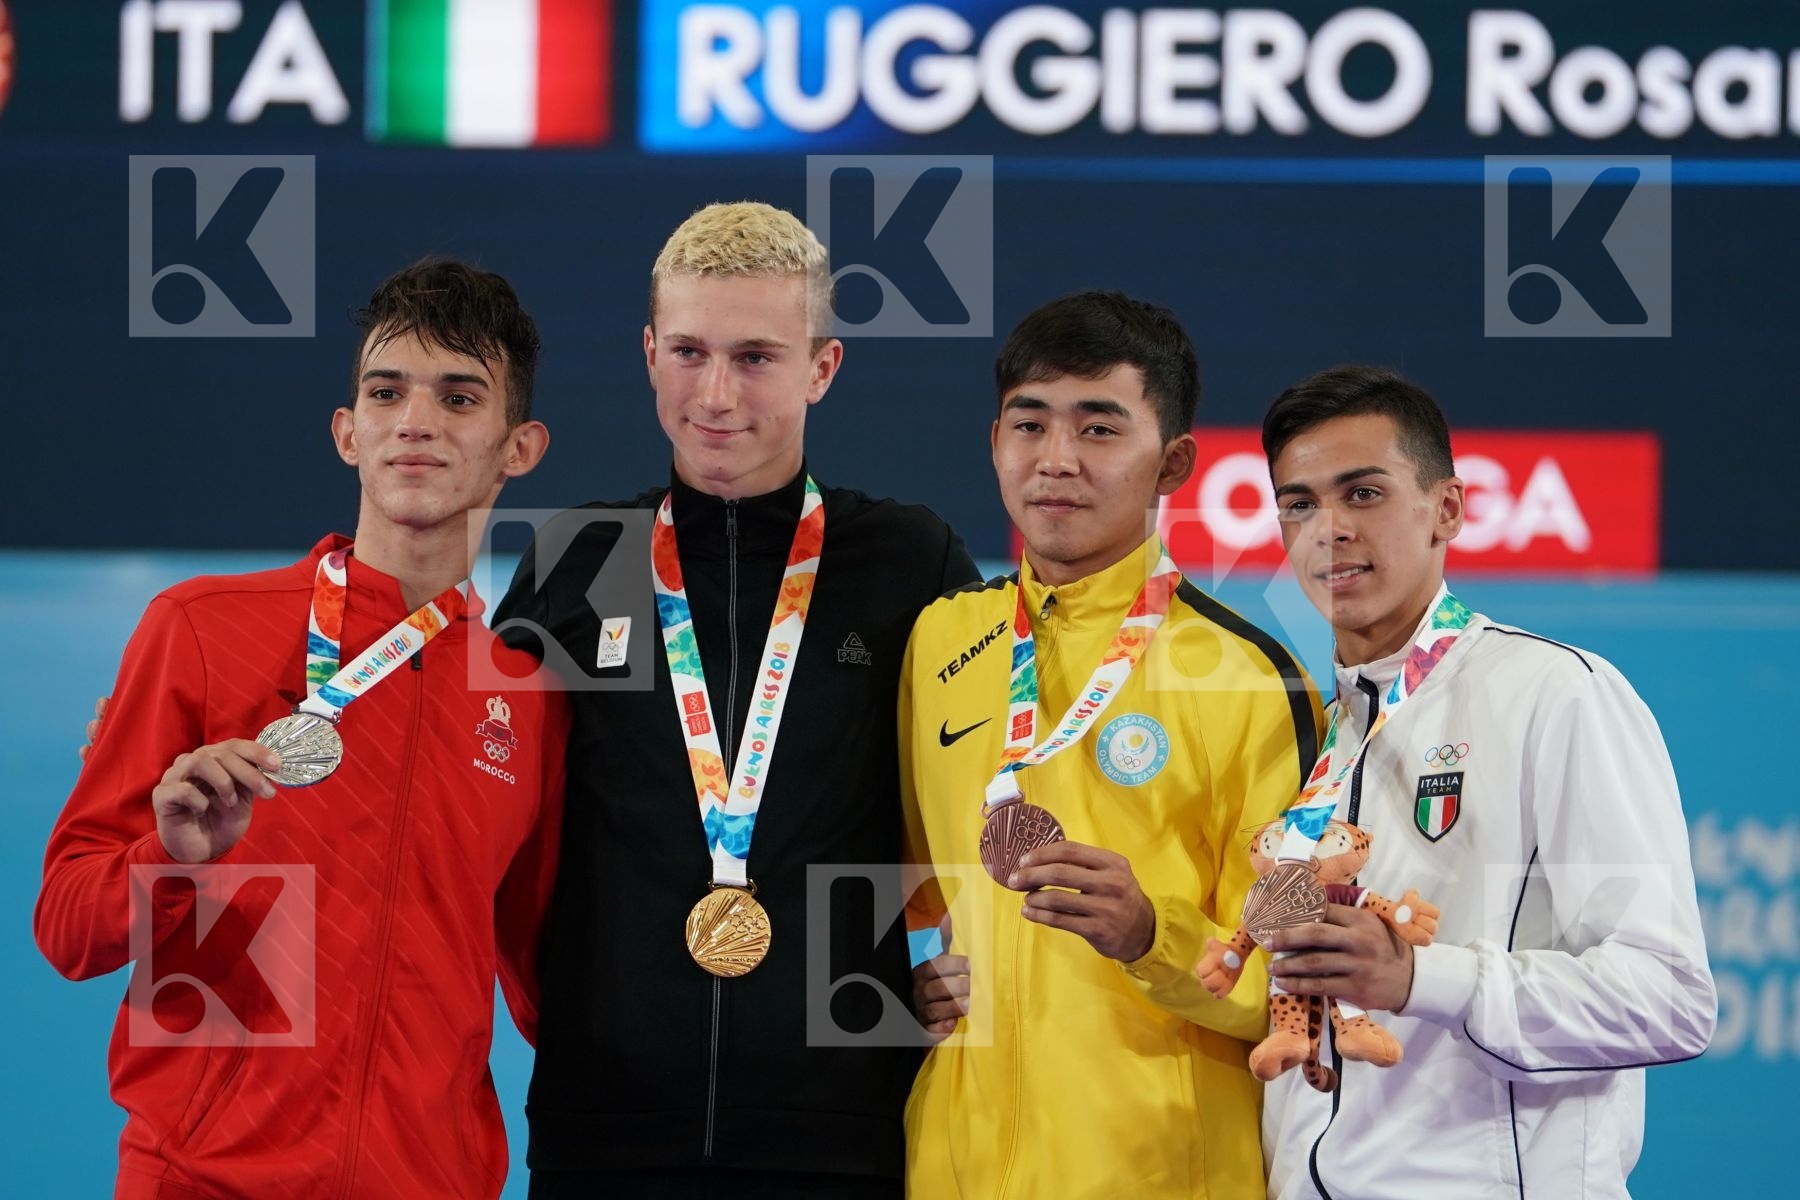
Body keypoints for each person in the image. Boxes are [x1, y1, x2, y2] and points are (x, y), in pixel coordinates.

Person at [36, 258, 567, 1199]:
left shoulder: (527, 698)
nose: (415, 420)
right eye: (385, 391)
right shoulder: (200, 627)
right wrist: (170, 859)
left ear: (517, 448)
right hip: (203, 1177)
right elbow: (69, 926)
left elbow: (553, 986)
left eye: (458, 397)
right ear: (346, 432)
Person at [494, 201, 978, 1198]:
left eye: (756, 356)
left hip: (842, 1123)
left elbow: (994, 782)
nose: (715, 394)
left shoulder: (910, 560)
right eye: (688, 351)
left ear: (822, 368)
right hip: (605, 1124)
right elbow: (481, 789)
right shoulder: (577, 559)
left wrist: (977, 957)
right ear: (647, 353)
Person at [1248, 364, 1716, 1199]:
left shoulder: (1555, 692)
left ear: (1448, 511)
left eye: (1363, 494)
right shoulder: (1320, 728)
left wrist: (1423, 978)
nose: (1328, 530)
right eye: (1299, 502)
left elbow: (1669, 996)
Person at [900, 291, 1322, 1199]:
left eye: (1099, 429)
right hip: (953, 1168)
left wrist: (1150, 938)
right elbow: (902, 882)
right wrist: (906, 993)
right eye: (1031, 423)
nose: (1056, 459)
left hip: (1159, 1173)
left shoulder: (1250, 678)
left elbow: (1301, 988)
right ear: (995, 441)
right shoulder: (938, 642)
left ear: (1172, 463)